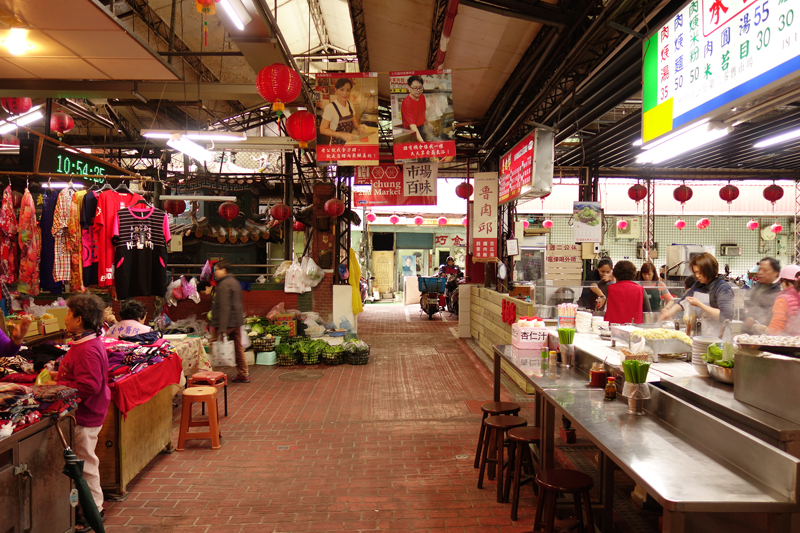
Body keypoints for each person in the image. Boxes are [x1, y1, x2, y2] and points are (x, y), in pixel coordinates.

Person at [53, 294, 110, 532]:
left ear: (79, 319)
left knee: (85, 463)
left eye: (68, 314)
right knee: (85, 460)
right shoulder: (85, 341)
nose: (64, 318)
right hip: (86, 412)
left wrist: (64, 390)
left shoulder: (87, 348)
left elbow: (90, 386)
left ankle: (93, 510)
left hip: (85, 414)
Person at [659, 253, 734, 332]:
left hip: (719, 337)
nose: (697, 276)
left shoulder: (723, 288)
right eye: (695, 272)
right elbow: (684, 301)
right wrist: (669, 312)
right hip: (702, 335)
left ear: (710, 270)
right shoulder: (698, 284)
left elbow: (726, 316)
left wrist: (700, 304)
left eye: (700, 272)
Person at [210, 260, 249, 383]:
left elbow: (224, 307)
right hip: (236, 321)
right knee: (238, 348)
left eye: (217, 269)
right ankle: (244, 374)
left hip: (226, 322)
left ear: (224, 270)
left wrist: (221, 328)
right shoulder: (234, 282)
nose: (215, 272)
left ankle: (211, 374)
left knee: (213, 344)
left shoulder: (224, 285)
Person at [753, 265, 800, 335]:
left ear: (784, 282)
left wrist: (763, 329)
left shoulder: (782, 300)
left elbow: (775, 331)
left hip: (790, 343)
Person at [319, 78, 366, 144]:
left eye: (348, 90)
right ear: (336, 90)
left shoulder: (350, 105)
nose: (345, 93)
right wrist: (341, 134)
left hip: (350, 142)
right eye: (342, 89)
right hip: (337, 145)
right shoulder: (330, 107)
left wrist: (359, 128)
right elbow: (322, 129)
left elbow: (354, 121)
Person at [744, 257, 781, 332]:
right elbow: (749, 306)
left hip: (765, 334)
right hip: (750, 331)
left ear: (775, 273)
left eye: (765, 270)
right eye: (759, 269)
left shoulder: (778, 292)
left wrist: (755, 320)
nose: (760, 273)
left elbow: (772, 315)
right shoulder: (756, 287)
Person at [401, 75, 435, 143]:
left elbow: (423, 111)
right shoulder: (406, 103)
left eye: (420, 88)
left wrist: (428, 123)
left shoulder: (422, 97)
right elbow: (413, 126)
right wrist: (422, 143)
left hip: (421, 126)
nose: (418, 90)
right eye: (415, 88)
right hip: (410, 130)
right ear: (409, 88)